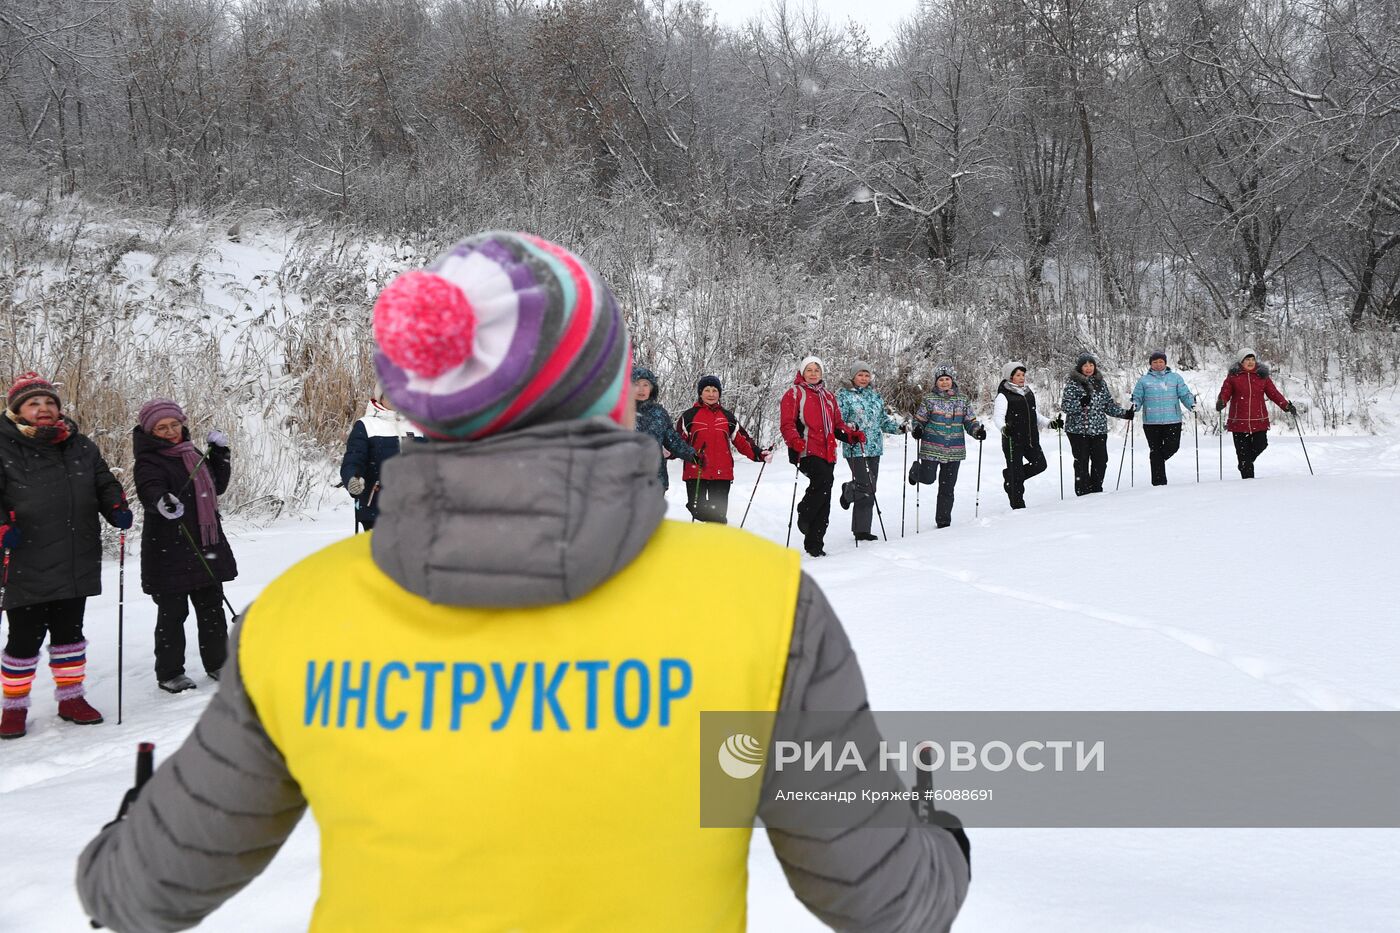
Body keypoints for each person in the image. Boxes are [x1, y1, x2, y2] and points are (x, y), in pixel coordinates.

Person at [76, 233, 970, 931]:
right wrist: (932, 829)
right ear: (607, 389)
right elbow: (889, 901)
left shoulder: (304, 614)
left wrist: (134, 823)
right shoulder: (760, 602)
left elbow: (139, 893)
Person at [0, 373, 131, 739]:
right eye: (33, 403)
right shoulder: (4, 444)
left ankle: (71, 699)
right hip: (24, 554)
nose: (43, 409)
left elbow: (103, 480)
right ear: (18, 410)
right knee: (24, 637)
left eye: (49, 403)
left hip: (76, 552)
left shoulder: (80, 445)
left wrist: (115, 504)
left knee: (69, 634)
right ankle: (13, 707)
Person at [132, 399, 237, 694]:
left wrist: (219, 454)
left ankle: (218, 663)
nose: (170, 432)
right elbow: (149, 487)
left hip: (204, 543)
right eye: (162, 428)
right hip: (168, 549)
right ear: (151, 430)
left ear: (182, 423)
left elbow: (218, 486)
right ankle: (170, 672)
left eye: (174, 425)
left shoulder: (191, 453)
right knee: (172, 613)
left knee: (211, 608)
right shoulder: (149, 459)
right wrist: (161, 500)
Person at [780, 356, 864, 557]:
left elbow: (837, 424)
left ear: (821, 373)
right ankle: (804, 511)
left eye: (816, 370)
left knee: (825, 494)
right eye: (809, 370)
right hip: (806, 449)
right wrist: (794, 440)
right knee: (824, 481)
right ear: (802, 372)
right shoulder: (794, 394)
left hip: (828, 451)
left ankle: (815, 543)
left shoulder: (828, 396)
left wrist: (851, 434)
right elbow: (787, 424)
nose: (813, 373)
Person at [675, 375, 770, 523]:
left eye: (714, 390)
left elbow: (741, 440)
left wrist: (758, 454)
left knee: (716, 519)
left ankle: (716, 537)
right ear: (700, 393)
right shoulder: (689, 416)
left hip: (721, 473)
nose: (711, 394)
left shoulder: (727, 416)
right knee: (697, 508)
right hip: (696, 471)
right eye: (707, 390)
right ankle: (718, 522)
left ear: (719, 393)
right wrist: (668, 452)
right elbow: (677, 442)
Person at [835, 361, 903, 541]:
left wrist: (899, 428)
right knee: (867, 484)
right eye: (860, 375)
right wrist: (850, 429)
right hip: (855, 447)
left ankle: (862, 530)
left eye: (867, 375)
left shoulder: (875, 396)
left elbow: (882, 420)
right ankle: (849, 490)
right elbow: (838, 421)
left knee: (870, 488)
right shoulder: (843, 396)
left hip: (875, 447)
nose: (864, 378)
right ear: (853, 376)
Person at [911, 364, 986, 529]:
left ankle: (943, 521)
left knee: (947, 487)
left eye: (947, 379)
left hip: (954, 449)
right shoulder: (929, 399)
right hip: (932, 446)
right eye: (941, 379)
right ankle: (916, 471)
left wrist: (976, 431)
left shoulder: (962, 399)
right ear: (936, 382)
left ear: (952, 380)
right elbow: (920, 420)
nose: (944, 382)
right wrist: (917, 428)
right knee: (929, 479)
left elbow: (970, 421)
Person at [340, 385, 420, 531]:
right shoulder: (366, 425)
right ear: (381, 397)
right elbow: (353, 460)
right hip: (377, 509)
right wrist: (352, 479)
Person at [1060, 353, 1134, 496]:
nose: (1088, 368)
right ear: (1080, 367)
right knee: (1082, 462)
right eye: (1085, 365)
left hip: (1099, 429)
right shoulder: (1073, 384)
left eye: (1091, 365)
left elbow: (1108, 405)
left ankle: (1096, 490)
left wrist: (1125, 414)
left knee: (1101, 461)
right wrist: (1080, 403)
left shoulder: (1100, 383)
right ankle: (1083, 492)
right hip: (1077, 431)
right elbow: (1066, 406)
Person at [1216, 348, 1294, 479]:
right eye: (1247, 360)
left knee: (1261, 444)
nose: (1251, 362)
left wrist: (1285, 405)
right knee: (1243, 453)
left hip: (1259, 419)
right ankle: (1247, 479)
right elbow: (1225, 392)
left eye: (1252, 359)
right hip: (1238, 421)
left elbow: (1273, 393)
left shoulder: (1262, 376)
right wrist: (1222, 401)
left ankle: (1244, 463)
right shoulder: (1233, 377)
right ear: (1241, 362)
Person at [991, 362, 1052, 510]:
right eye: (1018, 375)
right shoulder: (1003, 395)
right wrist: (1004, 428)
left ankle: (1010, 478)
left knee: (1040, 464)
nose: (1021, 378)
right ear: (1010, 377)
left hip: (1031, 440)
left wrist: (1049, 423)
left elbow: (1034, 413)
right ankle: (1018, 507)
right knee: (1016, 474)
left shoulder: (1028, 392)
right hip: (1013, 440)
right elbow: (997, 417)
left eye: (1023, 375)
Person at [1130, 351, 1196, 486]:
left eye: (1161, 361)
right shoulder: (1144, 380)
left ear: (1165, 363)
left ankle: (1158, 461)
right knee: (1155, 450)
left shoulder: (1175, 378)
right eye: (1155, 362)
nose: (1158, 364)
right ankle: (1159, 483)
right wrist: (1134, 406)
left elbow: (1184, 394)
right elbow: (1137, 397)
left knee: (1173, 447)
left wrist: (1191, 404)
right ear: (1150, 364)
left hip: (1173, 420)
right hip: (1151, 422)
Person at [633, 364, 699, 492]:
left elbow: (672, 440)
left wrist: (692, 455)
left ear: (652, 388)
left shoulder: (659, 413)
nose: (641, 389)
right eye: (636, 384)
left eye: (646, 385)